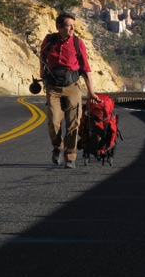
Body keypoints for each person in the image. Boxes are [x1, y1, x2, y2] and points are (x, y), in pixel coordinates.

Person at [40, 12, 100, 169]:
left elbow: (85, 69)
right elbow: (42, 58)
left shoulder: (77, 43)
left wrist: (91, 91)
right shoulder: (49, 41)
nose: (73, 28)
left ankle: (70, 156)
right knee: (53, 122)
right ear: (59, 27)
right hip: (53, 88)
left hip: (72, 87)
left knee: (73, 123)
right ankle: (57, 147)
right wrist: (42, 76)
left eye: (74, 25)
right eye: (69, 25)